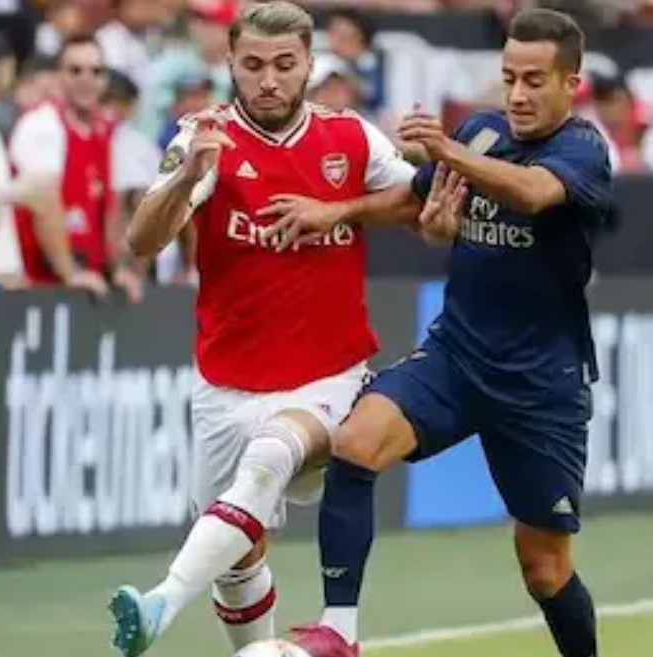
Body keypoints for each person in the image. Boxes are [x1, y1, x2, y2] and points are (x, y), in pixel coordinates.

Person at [287, 9, 614, 657]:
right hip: (456, 357)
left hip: (540, 384)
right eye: (510, 77)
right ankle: (339, 631)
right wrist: (336, 212)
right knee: (355, 444)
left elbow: (531, 192)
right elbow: (417, 201)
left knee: (545, 568)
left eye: (535, 80)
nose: (518, 94)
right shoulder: (481, 132)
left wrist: (447, 150)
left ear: (570, 83)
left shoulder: (583, 149)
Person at [106, 3, 420, 656]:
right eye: (252, 65)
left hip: (328, 374)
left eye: (283, 64)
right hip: (227, 381)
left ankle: (160, 602)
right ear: (230, 64)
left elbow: (416, 201)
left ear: (307, 64)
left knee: (273, 454)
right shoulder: (203, 137)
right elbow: (141, 240)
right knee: (237, 560)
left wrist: (337, 209)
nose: (268, 80)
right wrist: (187, 178)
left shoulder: (350, 137)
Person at [7, 36, 147, 301]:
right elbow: (43, 202)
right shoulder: (42, 125)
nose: (86, 79)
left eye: (96, 71)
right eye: (75, 70)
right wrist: (69, 272)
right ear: (58, 76)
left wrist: (115, 269)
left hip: (87, 280)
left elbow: (109, 206)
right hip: (43, 284)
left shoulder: (104, 130)